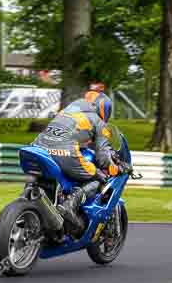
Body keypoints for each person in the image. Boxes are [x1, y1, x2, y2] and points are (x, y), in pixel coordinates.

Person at [32, 85, 131, 236]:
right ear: (104, 109)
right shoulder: (99, 122)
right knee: (99, 178)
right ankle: (70, 205)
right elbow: (103, 157)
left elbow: (72, 135)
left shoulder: (66, 112)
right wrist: (116, 168)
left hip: (37, 147)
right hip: (64, 152)